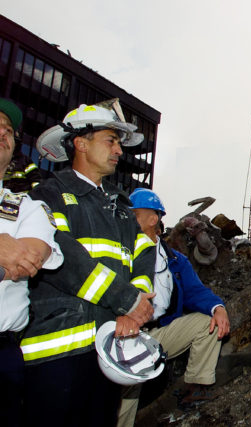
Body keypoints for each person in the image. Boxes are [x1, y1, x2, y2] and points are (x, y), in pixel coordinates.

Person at [20, 102, 157, 427]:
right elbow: (63, 258)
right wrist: (127, 301)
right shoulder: (49, 195)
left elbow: (143, 256)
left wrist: (133, 310)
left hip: (109, 346)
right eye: (110, 140)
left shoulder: (121, 207)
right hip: (59, 352)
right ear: (80, 143)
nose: (118, 150)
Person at [118, 188, 230, 426]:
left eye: (134, 214)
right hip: (123, 334)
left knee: (205, 323)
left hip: (156, 333)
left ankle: (196, 386)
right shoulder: (118, 251)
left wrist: (218, 308)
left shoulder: (175, 260)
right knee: (125, 392)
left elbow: (195, 291)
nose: (127, 219)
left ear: (153, 219)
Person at [0, 98, 63, 427]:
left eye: (8, 130)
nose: (2, 133)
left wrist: (10, 255)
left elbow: (28, 259)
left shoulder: (26, 207)